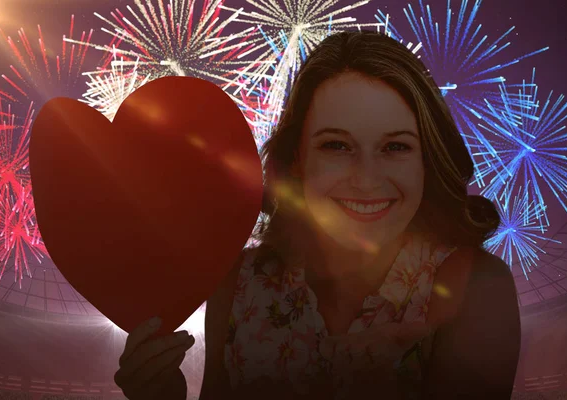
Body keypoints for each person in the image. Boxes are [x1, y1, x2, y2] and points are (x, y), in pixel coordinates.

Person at [113, 30, 521, 399]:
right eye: (336, 146)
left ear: (427, 163)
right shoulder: (238, 283)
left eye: (395, 147)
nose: (365, 180)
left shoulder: (477, 289)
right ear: (297, 160)